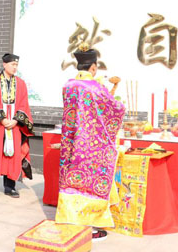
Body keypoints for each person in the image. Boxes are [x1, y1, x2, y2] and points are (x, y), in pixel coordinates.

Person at [55, 43, 125, 241]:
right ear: (93, 67)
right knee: (90, 181)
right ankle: (90, 226)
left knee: (71, 179)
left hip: (71, 141)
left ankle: (70, 219)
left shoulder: (68, 86)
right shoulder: (95, 88)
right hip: (90, 145)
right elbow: (115, 109)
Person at [0, 53, 33, 200]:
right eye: (12, 64)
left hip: (14, 125)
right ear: (4, 64)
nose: (15, 67)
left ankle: (10, 187)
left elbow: (23, 103)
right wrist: (2, 120)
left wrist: (16, 120)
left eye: (16, 65)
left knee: (13, 155)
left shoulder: (21, 83)